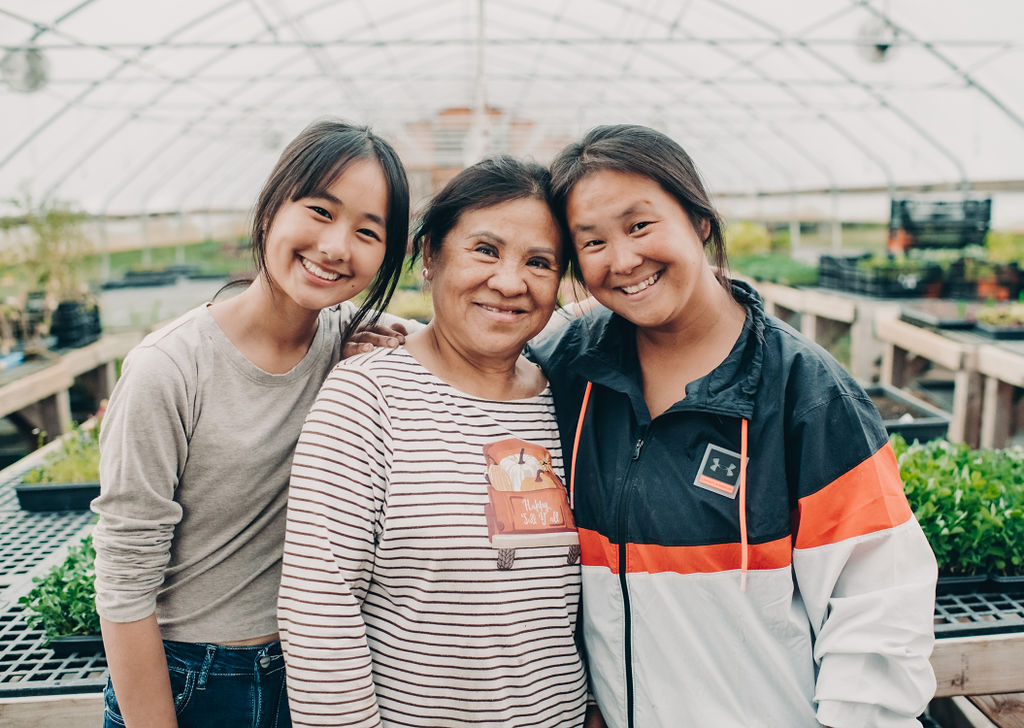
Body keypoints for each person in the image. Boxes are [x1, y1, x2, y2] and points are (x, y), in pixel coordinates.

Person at [529, 124, 938, 728]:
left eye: (640, 225)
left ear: (699, 220)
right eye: (592, 243)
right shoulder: (568, 364)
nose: (623, 260)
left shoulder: (805, 392)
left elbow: (879, 607)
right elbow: (469, 362)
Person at [91, 118, 410, 728]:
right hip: (193, 678)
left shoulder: (352, 339)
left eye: (367, 231)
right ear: (270, 209)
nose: (337, 246)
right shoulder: (169, 369)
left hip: (319, 669)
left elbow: (473, 339)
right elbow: (124, 582)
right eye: (320, 210)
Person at [277, 156, 596, 728]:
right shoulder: (368, 398)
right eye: (485, 249)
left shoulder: (568, 401)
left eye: (540, 262)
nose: (509, 281)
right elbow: (320, 613)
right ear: (430, 255)